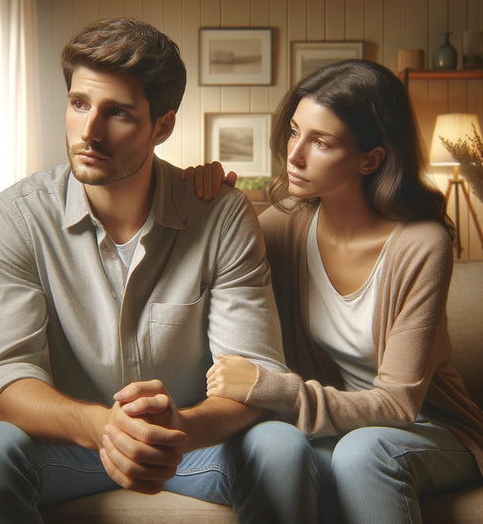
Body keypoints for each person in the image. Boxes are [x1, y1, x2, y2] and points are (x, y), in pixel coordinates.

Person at [0, 18, 315, 524]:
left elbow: (255, 373)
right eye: (79, 104)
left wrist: (180, 426)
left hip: (191, 446)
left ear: (161, 126)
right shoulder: (19, 214)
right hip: (66, 449)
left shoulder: (220, 214)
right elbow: (5, 375)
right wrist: (102, 427)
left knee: (282, 447)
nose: (89, 131)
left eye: (116, 112)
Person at [198, 59, 483, 523]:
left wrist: (276, 391)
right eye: (294, 132)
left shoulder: (422, 244)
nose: (295, 154)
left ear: (370, 159)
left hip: (426, 428)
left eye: (321, 142)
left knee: (362, 453)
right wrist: (203, 189)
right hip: (333, 431)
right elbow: (208, 244)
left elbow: (396, 405)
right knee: (292, 457)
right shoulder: (282, 227)